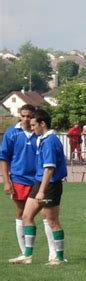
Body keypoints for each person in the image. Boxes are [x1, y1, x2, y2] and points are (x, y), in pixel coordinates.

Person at [8, 109, 68, 265]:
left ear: (43, 124)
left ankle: (59, 257)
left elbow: (49, 168)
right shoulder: (42, 139)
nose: (31, 127)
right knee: (26, 216)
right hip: (38, 182)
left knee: (52, 221)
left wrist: (42, 190)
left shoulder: (50, 141)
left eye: (34, 124)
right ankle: (27, 255)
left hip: (49, 185)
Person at [0, 104, 56, 262]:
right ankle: (25, 252)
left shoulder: (41, 133)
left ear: (35, 116)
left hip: (39, 179)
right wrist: (6, 181)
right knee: (21, 214)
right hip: (19, 179)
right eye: (23, 116)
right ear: (19, 115)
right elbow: (4, 157)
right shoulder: (12, 132)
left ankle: (53, 253)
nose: (26, 119)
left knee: (47, 215)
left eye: (29, 116)